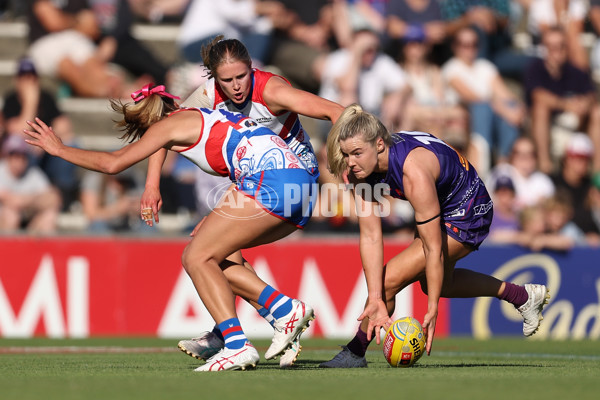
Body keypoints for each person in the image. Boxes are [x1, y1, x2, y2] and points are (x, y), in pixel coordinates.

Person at [24, 83, 317, 372]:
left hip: (272, 182)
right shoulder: (203, 113)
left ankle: (252, 333)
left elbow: (113, 163)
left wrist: (60, 149)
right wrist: (217, 211)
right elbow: (249, 156)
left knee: (195, 257)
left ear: (150, 126)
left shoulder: (168, 127)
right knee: (222, 256)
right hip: (301, 187)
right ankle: (270, 318)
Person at [141, 36, 344, 368]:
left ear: (252, 69)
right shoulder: (207, 96)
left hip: (289, 183)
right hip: (257, 182)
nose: (237, 86)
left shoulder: (271, 89)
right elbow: (166, 131)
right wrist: (151, 185)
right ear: (214, 78)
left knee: (203, 252)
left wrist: (345, 158)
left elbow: (332, 110)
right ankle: (244, 327)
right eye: (227, 80)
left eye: (242, 76)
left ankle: (261, 322)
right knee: (216, 253)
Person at [319, 104, 550, 368]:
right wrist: (373, 297)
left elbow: (432, 247)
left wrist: (432, 309)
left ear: (380, 145)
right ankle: (522, 297)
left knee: (389, 280)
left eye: (357, 153)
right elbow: (371, 236)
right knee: (436, 283)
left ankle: (355, 352)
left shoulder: (412, 173)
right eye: (347, 155)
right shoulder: (361, 172)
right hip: (441, 200)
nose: (350, 162)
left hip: (469, 211)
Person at [2, 57, 81, 210]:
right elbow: (17, 131)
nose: (29, 80)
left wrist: (46, 141)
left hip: (45, 153)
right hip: (25, 154)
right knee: (23, 149)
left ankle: (64, 196)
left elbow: (64, 126)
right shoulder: (11, 100)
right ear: (17, 80)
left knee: (71, 143)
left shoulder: (46, 98)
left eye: (32, 76)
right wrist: (30, 101)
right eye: (24, 76)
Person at [441, 26, 525, 165]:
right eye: (464, 45)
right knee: (482, 108)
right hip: (468, 112)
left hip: (492, 110)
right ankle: (483, 159)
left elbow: (504, 93)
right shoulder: (451, 68)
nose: (469, 49)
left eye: (474, 44)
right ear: (455, 47)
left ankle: (504, 162)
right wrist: (503, 108)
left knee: (510, 106)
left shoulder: (485, 67)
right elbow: (471, 96)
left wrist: (517, 107)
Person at [523, 26, 600, 174]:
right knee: (541, 107)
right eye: (551, 47)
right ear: (544, 48)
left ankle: (597, 171)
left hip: (574, 123)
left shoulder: (576, 71)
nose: (556, 51)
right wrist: (567, 105)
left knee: (597, 111)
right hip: (543, 124)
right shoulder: (534, 69)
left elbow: (591, 95)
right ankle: (545, 166)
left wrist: (585, 102)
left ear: (566, 47)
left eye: (560, 46)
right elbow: (538, 95)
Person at [0, 134, 62, 234]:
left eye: (23, 156)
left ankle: (41, 249)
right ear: (7, 156)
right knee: (11, 215)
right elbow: (12, 202)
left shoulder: (33, 174)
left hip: (30, 225)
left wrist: (26, 200)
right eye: (15, 155)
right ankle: (7, 249)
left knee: (49, 217)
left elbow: (54, 198)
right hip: (4, 224)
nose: (19, 160)